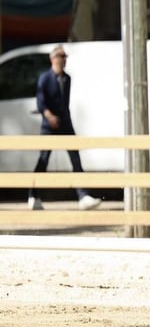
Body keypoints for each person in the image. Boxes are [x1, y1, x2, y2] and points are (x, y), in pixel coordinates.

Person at [27, 45, 102, 210]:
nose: (64, 60)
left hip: (65, 124)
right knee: (43, 160)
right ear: (53, 59)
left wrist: (64, 118)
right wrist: (49, 116)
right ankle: (33, 195)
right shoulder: (45, 78)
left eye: (65, 57)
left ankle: (83, 196)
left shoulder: (67, 78)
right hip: (49, 126)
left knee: (75, 158)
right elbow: (41, 102)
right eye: (61, 56)